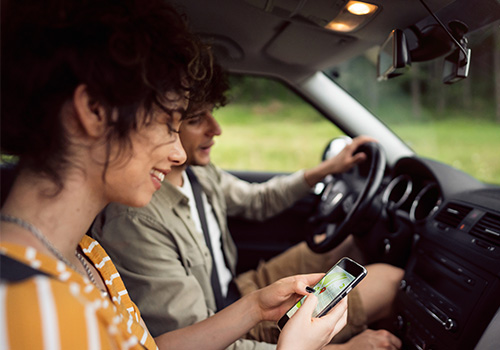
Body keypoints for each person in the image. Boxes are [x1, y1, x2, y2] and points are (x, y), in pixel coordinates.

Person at [0, 0, 349, 349]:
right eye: (169, 124)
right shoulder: (25, 307)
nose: (179, 152)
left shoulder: (86, 253)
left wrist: (254, 308)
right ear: (95, 112)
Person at [91, 61, 404, 349]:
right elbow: (199, 339)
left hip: (243, 290)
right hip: (223, 323)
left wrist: (324, 171)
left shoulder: (200, 173)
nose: (216, 129)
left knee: (350, 246)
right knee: (388, 280)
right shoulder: (136, 219)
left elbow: (258, 200)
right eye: (195, 120)